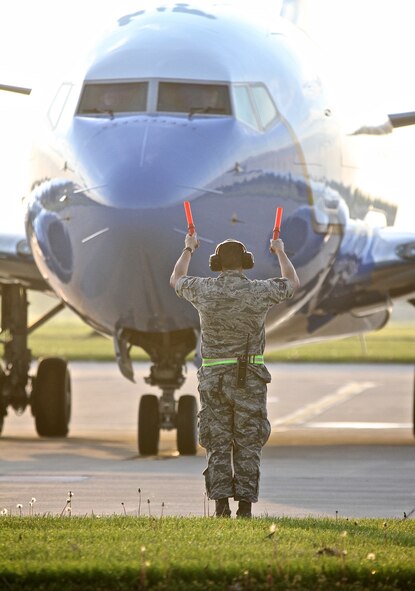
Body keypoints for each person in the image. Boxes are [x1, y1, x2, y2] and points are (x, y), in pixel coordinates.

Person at [170, 234, 300, 518]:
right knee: (247, 442)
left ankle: (220, 505)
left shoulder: (204, 290)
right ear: (246, 263)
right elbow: (292, 282)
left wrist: (188, 248)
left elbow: (176, 278)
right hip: (249, 379)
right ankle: (245, 507)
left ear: (216, 264)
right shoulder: (258, 292)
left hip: (214, 379)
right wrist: (280, 251)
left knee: (217, 442)